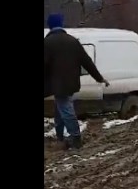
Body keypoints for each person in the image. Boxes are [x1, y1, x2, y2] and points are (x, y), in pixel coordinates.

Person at [44, 13, 107, 149]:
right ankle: (60, 137)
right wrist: (99, 78)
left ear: (50, 26)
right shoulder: (73, 41)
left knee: (65, 109)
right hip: (72, 83)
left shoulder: (47, 43)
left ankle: (75, 138)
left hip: (57, 84)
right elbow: (87, 62)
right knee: (60, 109)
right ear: (61, 24)